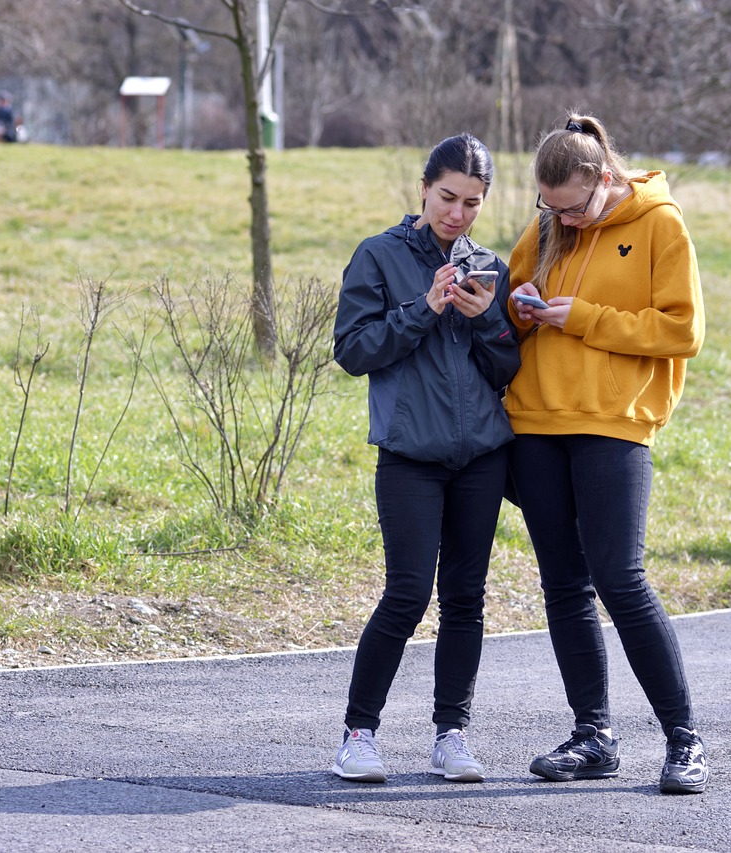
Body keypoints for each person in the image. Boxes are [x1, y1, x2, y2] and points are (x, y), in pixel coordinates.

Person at [504, 113, 709, 795]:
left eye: (570, 206)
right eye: (548, 206)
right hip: (536, 421)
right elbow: (510, 301)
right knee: (563, 584)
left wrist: (582, 317)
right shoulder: (547, 227)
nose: (561, 218)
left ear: (602, 179)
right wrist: (519, 304)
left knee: (621, 578)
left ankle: (685, 739)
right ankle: (593, 735)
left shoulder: (659, 224)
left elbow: (683, 329)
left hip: (616, 422)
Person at [331, 133, 520, 784]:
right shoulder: (379, 256)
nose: (458, 214)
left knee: (466, 598)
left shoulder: (488, 263)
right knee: (407, 594)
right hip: (410, 455)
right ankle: (358, 734)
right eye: (448, 197)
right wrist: (425, 307)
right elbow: (354, 350)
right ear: (423, 189)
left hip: (481, 457)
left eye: (473, 202)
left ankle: (452, 735)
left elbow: (507, 364)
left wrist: (483, 319)